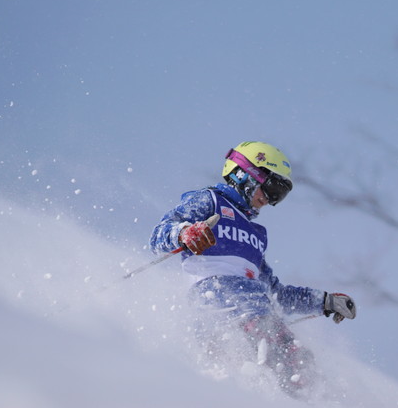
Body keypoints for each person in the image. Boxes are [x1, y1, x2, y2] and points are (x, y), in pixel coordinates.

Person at [149, 141, 356, 396]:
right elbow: (158, 234)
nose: (269, 200)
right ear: (245, 173)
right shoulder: (209, 201)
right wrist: (184, 233)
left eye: (279, 196)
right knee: (276, 352)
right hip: (216, 300)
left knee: (299, 364)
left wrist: (324, 301)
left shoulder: (256, 235)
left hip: (256, 311)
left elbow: (276, 294)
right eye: (272, 189)